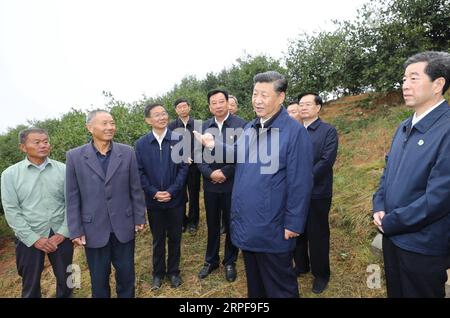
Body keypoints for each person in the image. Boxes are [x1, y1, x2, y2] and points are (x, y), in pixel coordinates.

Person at [195, 71, 313, 297]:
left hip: (274, 227)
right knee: (256, 287)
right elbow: (237, 153)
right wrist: (212, 144)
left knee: (279, 287)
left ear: (280, 97)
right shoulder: (251, 127)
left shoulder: (294, 132)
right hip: (248, 225)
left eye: (264, 95)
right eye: (255, 93)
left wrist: (294, 223)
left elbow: (301, 182)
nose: (257, 100)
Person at [372, 51, 450, 298]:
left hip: (422, 246)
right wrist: (379, 204)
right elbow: (388, 173)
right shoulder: (404, 126)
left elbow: (439, 198)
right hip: (392, 238)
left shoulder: (446, 130)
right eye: (404, 79)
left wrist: (392, 221)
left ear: (438, 84)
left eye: (414, 78)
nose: (405, 85)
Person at [66, 109, 146, 298]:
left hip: (123, 225)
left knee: (126, 274)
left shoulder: (127, 152)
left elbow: (135, 188)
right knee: (99, 279)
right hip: (93, 228)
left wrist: (139, 216)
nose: (110, 127)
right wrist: (75, 229)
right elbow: (72, 196)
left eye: (112, 123)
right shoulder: (75, 156)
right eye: (104, 123)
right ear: (90, 128)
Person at [1, 128, 73, 298]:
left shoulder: (64, 169)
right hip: (29, 236)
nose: (43, 145)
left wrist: (63, 233)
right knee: (30, 283)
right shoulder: (9, 175)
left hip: (60, 234)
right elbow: (11, 210)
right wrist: (33, 239)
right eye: (37, 142)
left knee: (69, 278)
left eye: (46, 141)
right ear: (23, 147)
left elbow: (72, 203)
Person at [135, 103, 189, 290]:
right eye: (157, 115)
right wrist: (153, 192)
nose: (162, 117)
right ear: (148, 120)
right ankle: (158, 273)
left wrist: (172, 191)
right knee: (158, 239)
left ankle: (173, 272)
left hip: (175, 200)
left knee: (175, 237)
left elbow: (183, 168)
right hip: (154, 201)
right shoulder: (141, 144)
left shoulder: (178, 139)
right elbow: (139, 172)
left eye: (164, 113)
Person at [197, 89, 246, 283]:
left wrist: (225, 172)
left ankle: (230, 261)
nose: (217, 106)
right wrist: (210, 173)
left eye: (221, 102)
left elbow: (242, 155)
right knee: (212, 223)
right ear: (209, 106)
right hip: (210, 185)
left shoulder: (241, 125)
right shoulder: (204, 127)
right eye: (213, 103)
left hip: (232, 184)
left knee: (231, 223)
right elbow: (198, 156)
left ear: (228, 103)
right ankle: (211, 260)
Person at [293, 93, 338, 294]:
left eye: (307, 104)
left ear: (318, 107)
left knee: (318, 233)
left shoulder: (327, 131)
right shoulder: (294, 131)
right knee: (298, 229)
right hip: (294, 192)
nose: (303, 108)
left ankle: (321, 274)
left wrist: (304, 180)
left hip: (317, 192)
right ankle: (301, 265)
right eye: (300, 104)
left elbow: (326, 161)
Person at [168, 98, 201, 234]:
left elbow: (201, 143)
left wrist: (191, 157)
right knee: (180, 194)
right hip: (179, 166)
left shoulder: (198, 124)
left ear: (189, 107)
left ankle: (193, 222)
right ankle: (182, 221)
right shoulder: (171, 126)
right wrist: (182, 157)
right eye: (179, 107)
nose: (182, 109)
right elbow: (170, 145)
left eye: (184, 106)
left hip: (194, 166)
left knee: (194, 194)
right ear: (176, 110)